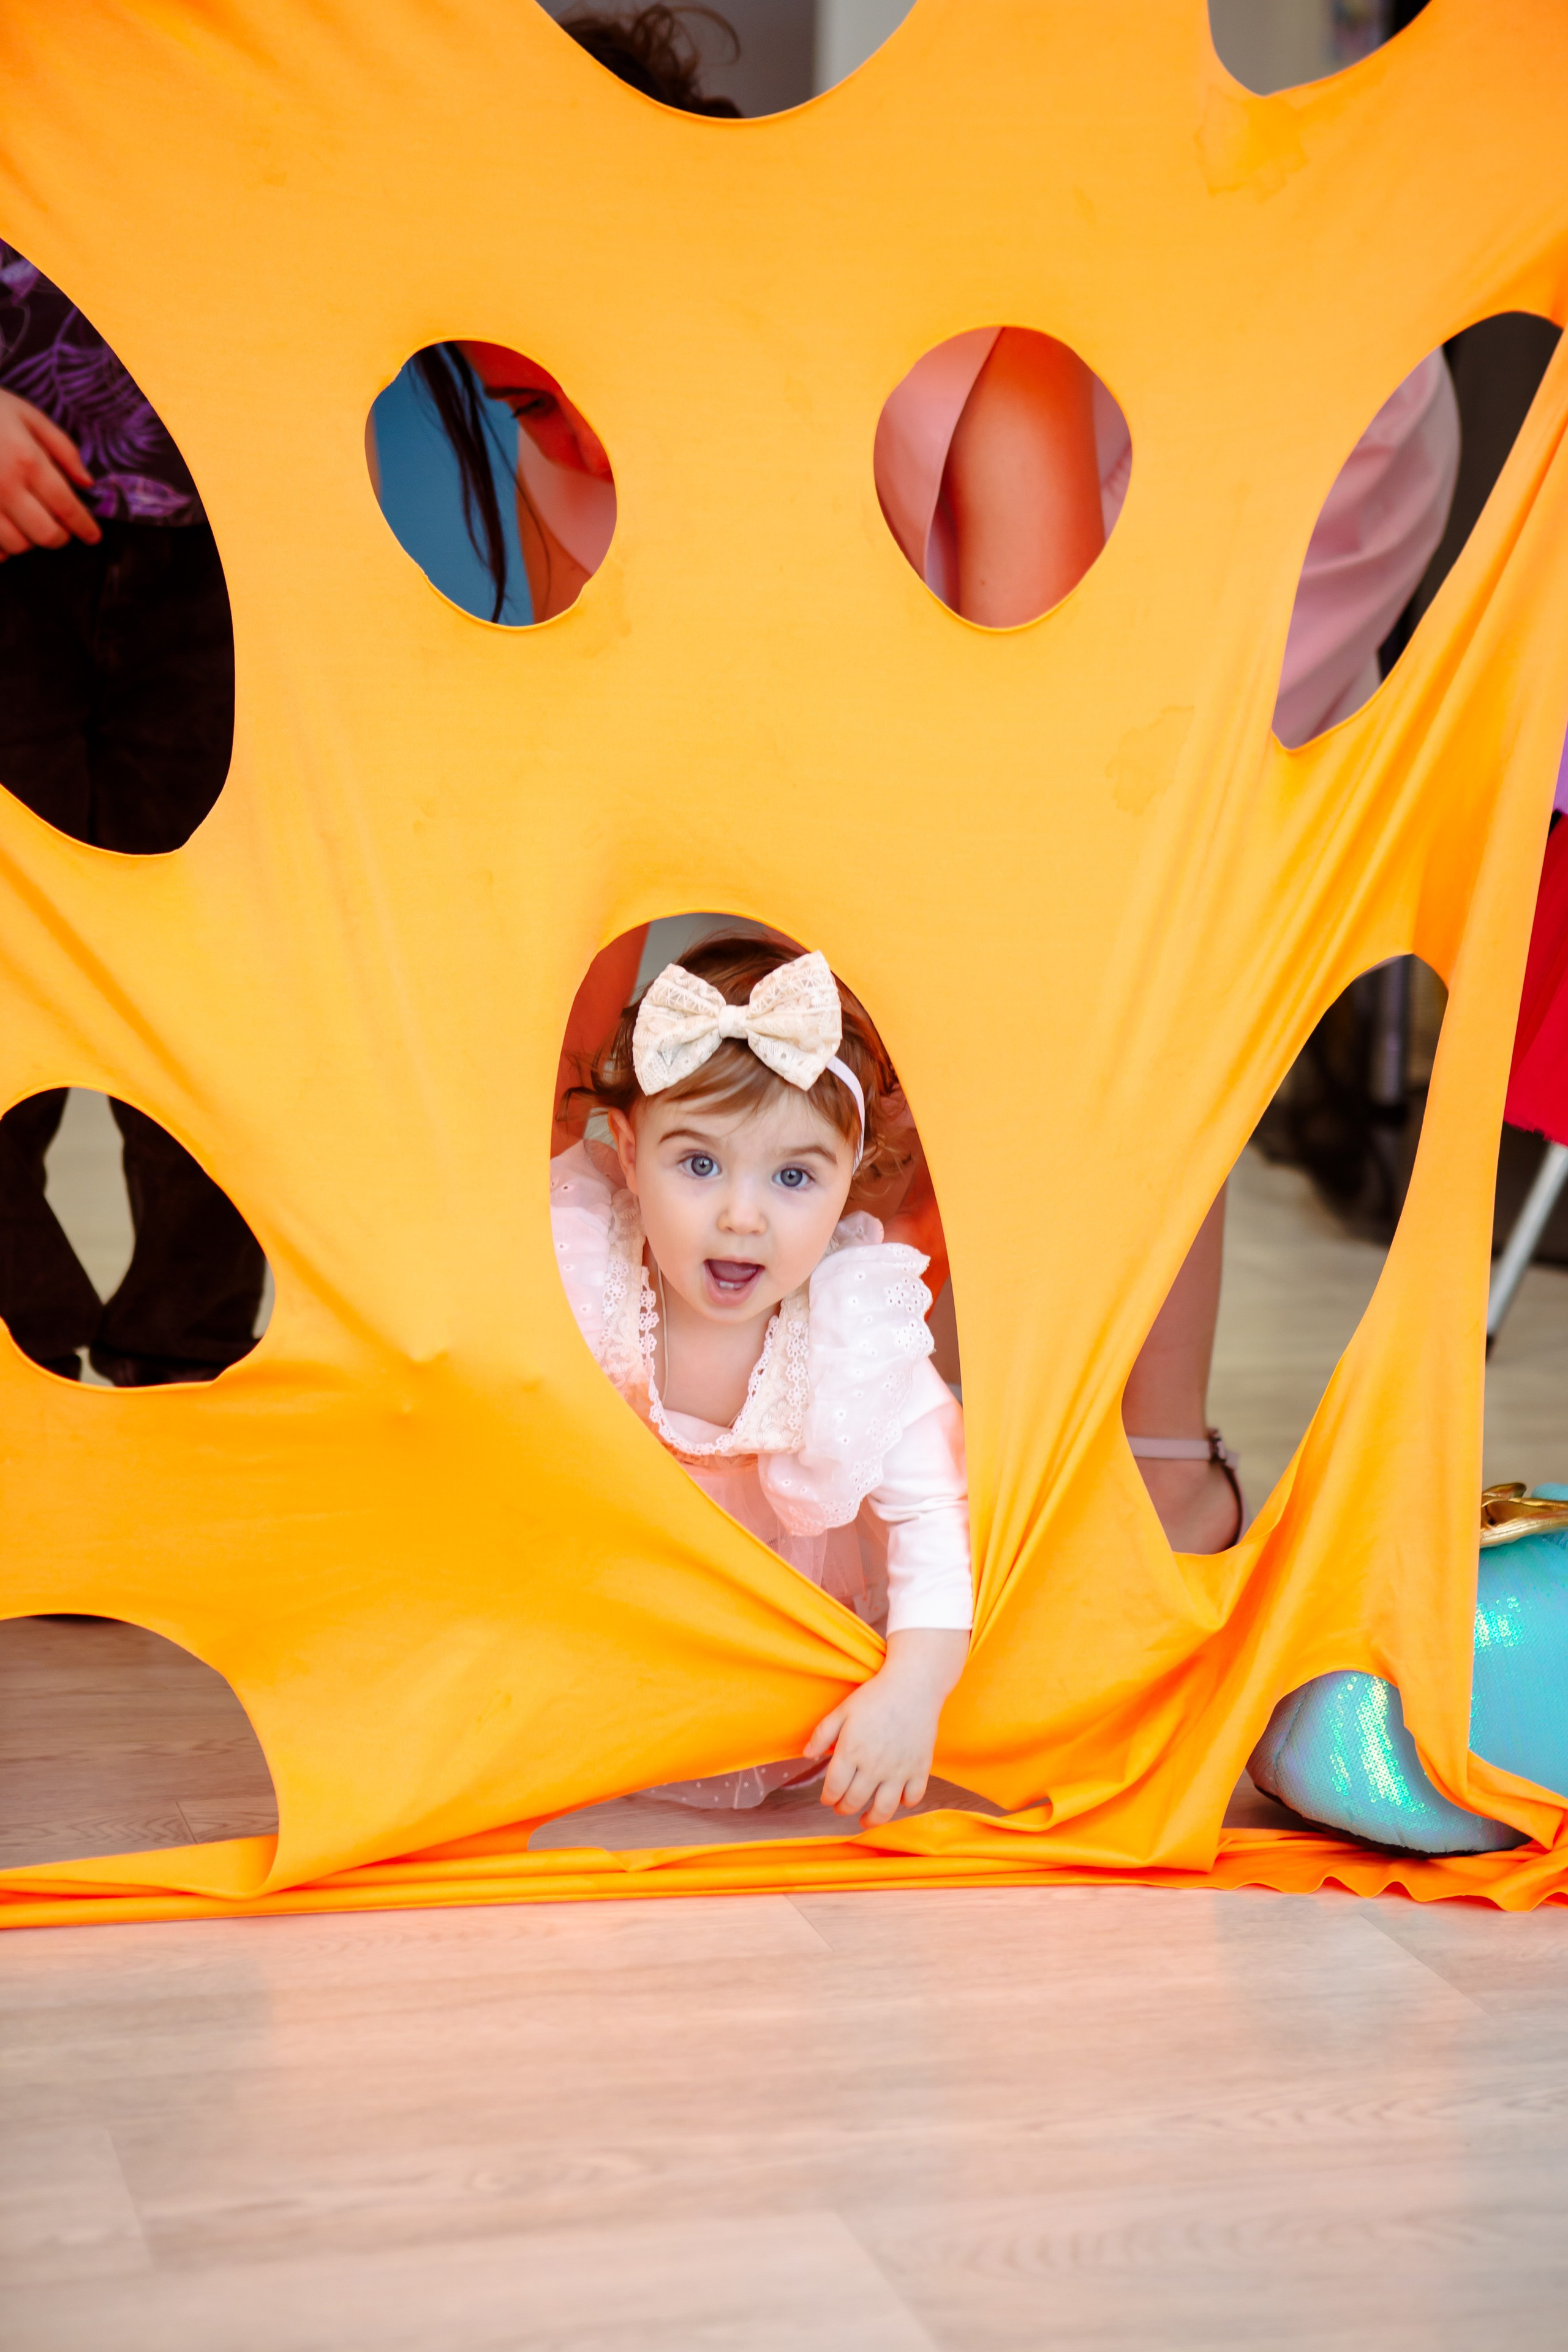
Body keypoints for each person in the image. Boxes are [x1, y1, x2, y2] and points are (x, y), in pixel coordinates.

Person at [550, 937, 973, 1826]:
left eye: (792, 1176)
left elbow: (935, 1517)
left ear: (850, 1176)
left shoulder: (853, 1330)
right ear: (627, 1152)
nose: (742, 1217)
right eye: (699, 1164)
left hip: (775, 1655)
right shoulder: (584, 1268)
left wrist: (914, 1691)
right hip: (613, 1611)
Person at [0, 241, 266, 1385]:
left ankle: (183, 1354)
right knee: (18, 951)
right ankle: (27, 1331)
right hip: (13, 557)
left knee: (213, 976)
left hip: (235, 546)